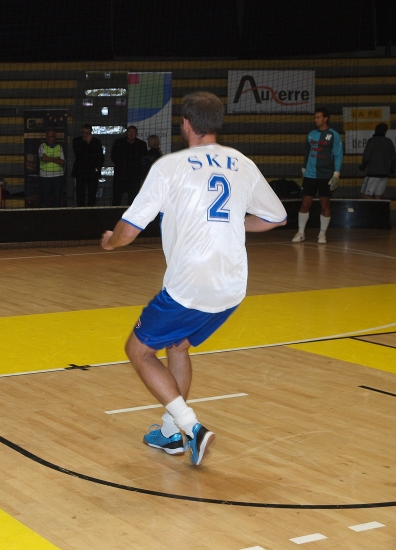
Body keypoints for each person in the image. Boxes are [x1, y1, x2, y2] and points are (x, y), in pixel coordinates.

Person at [100, 92, 287, 466]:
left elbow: (129, 229)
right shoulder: (243, 164)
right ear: (217, 123)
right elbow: (276, 218)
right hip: (232, 286)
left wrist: (110, 242)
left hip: (190, 285)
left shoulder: (170, 167)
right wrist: (235, 224)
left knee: (138, 351)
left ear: (185, 124)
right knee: (178, 346)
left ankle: (192, 428)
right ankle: (171, 433)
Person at [292, 108, 343, 244]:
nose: (316, 120)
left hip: (325, 175)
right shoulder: (311, 134)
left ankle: (322, 234)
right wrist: (304, 169)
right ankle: (301, 232)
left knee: (325, 204)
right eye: (315, 117)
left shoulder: (334, 135)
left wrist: (336, 173)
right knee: (305, 203)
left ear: (325, 118)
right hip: (310, 175)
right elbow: (307, 153)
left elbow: (338, 155)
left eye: (318, 117)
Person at [110, 126, 148, 206]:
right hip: (120, 174)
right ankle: (115, 212)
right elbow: (113, 156)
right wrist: (120, 164)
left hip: (134, 176)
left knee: (133, 198)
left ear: (136, 134)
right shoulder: (119, 142)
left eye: (133, 132)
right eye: (130, 132)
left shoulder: (141, 144)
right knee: (117, 197)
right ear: (127, 133)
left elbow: (144, 160)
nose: (131, 134)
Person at [359, 122, 396, 199]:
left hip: (373, 173)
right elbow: (393, 158)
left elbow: (366, 157)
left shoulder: (371, 141)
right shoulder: (389, 141)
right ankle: (379, 207)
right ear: (385, 131)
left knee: (365, 194)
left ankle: (375, 206)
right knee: (377, 195)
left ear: (375, 130)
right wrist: (392, 169)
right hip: (385, 174)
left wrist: (362, 167)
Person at [72, 124, 104, 207]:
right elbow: (79, 154)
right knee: (80, 194)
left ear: (90, 133)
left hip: (92, 172)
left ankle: (91, 211)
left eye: (87, 133)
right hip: (80, 172)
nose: (85, 135)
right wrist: (87, 143)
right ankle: (80, 211)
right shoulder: (76, 141)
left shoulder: (96, 142)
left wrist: (97, 169)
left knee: (92, 195)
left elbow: (100, 157)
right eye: (83, 132)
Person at [38, 129, 66, 207]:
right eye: (47, 137)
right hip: (45, 176)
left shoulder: (59, 147)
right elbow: (44, 159)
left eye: (51, 137)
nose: (49, 138)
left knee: (57, 198)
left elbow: (62, 162)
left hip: (58, 176)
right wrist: (55, 158)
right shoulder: (42, 146)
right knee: (44, 198)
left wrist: (49, 158)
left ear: (55, 137)